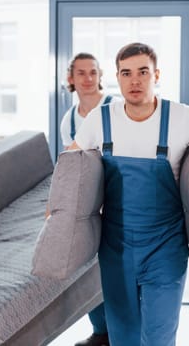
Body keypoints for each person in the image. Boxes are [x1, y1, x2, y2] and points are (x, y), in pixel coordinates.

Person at [68, 42, 189, 346]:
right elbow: (69, 169)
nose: (134, 80)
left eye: (142, 72)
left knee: (159, 339)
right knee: (122, 339)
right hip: (115, 249)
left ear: (156, 74)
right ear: (117, 78)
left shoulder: (183, 118)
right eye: (126, 73)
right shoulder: (100, 119)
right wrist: (53, 215)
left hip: (165, 250)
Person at [60, 52, 118, 346]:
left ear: (100, 76)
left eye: (92, 72)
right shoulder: (68, 120)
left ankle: (127, 333)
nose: (87, 79)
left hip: (120, 197)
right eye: (80, 73)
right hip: (89, 203)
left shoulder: (116, 108)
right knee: (87, 268)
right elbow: (72, 168)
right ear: (71, 78)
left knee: (119, 267)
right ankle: (102, 333)